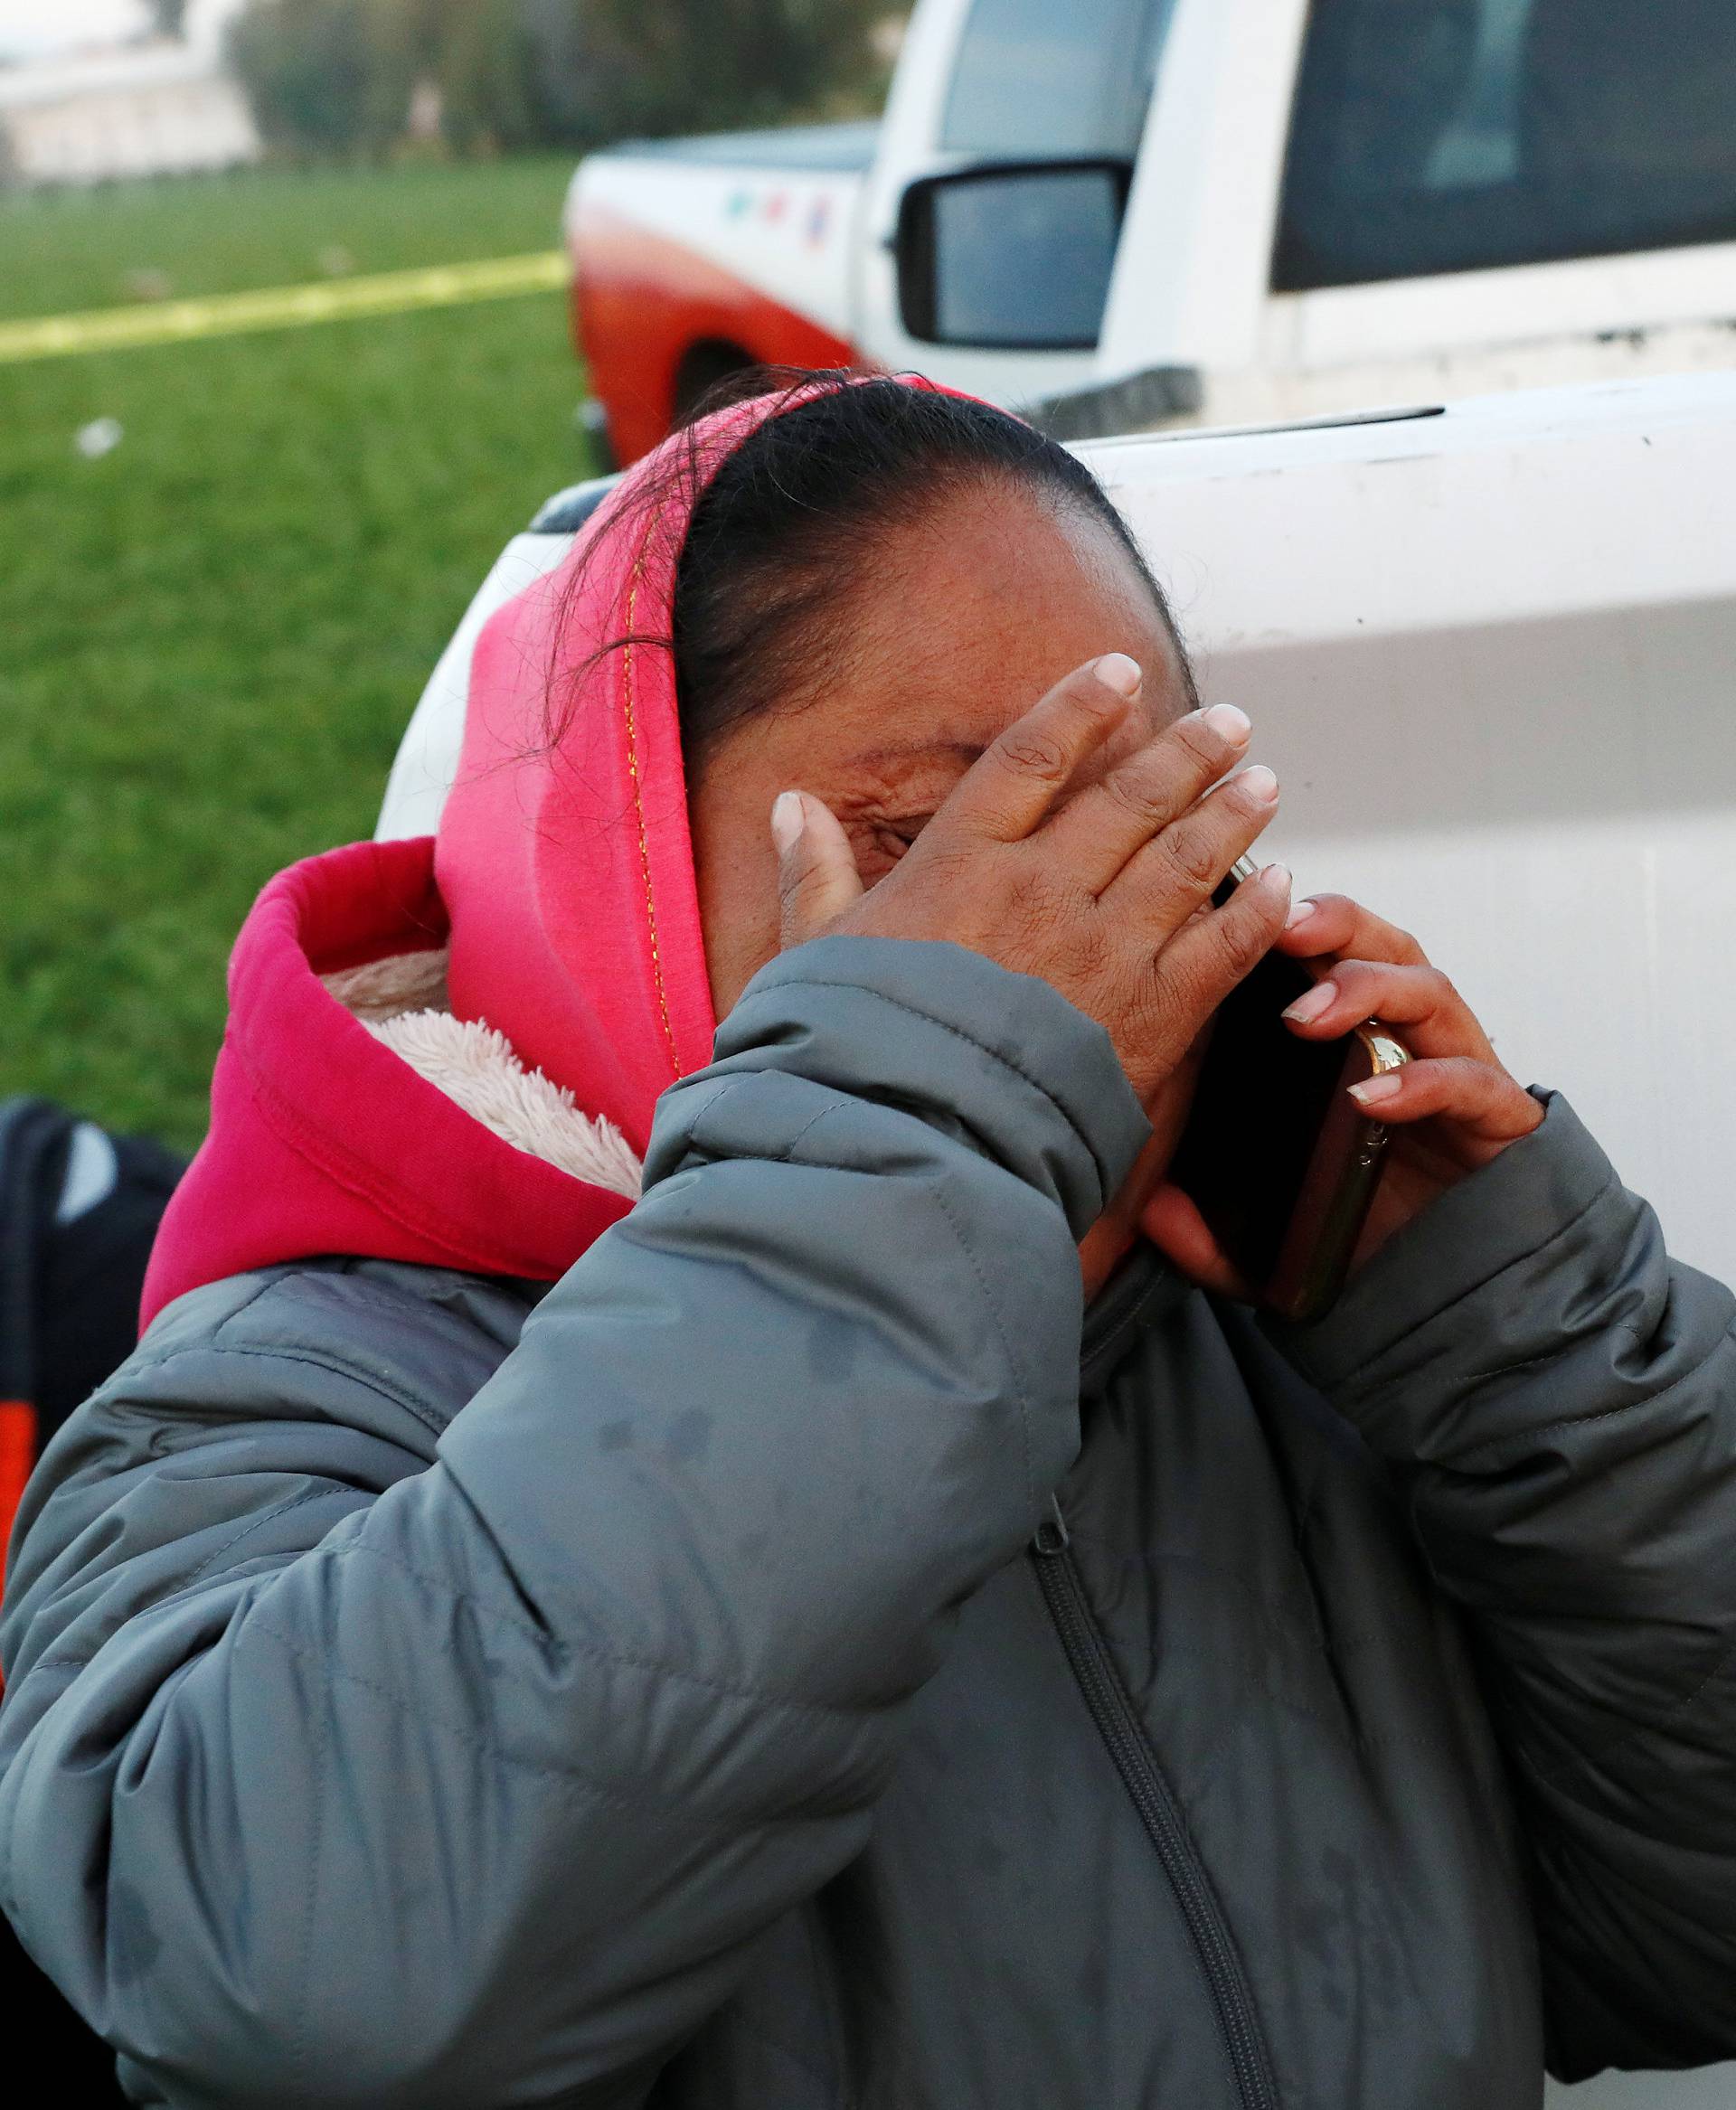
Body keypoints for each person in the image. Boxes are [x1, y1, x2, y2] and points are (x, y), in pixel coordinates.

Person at [3, 372, 1735, 2108]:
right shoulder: (306, 1393)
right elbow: (279, 1984)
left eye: (1132, 858)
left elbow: (1678, 1935)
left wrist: (1515, 1335)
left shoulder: (1267, 1353)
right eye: (930, 856)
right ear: (613, 857)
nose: (1060, 956)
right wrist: (917, 1160)